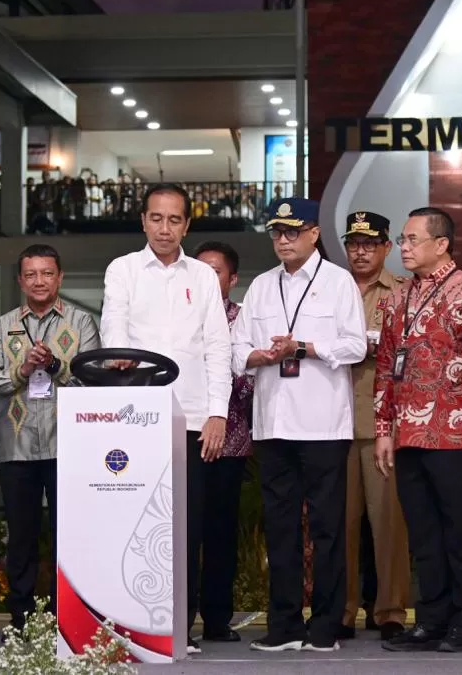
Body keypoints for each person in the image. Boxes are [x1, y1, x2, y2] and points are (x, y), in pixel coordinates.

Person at [100, 183, 232, 654]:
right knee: (137, 525)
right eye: (156, 218)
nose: (164, 228)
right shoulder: (123, 270)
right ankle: (133, 623)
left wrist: (218, 413)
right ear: (143, 221)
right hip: (136, 417)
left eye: (174, 220)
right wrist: (118, 357)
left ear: (186, 225)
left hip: (193, 418)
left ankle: (180, 627)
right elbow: (113, 323)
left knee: (186, 527)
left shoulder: (202, 276)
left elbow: (218, 347)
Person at [230, 198, 367, 653]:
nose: (283, 240)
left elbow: (355, 346)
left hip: (324, 424)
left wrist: (305, 347)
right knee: (280, 527)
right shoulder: (262, 286)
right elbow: (237, 349)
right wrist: (262, 356)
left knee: (328, 527)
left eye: (293, 231)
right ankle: (285, 623)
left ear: (313, 234)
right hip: (273, 424)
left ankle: (326, 625)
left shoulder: (338, 281)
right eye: (276, 232)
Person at [374, 208, 462, 653]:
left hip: (457, 432)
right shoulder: (397, 298)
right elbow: (384, 369)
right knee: (424, 533)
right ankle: (431, 619)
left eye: (412, 239)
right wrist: (382, 429)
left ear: (441, 244)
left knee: (460, 528)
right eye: (402, 239)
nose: (404, 247)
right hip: (408, 432)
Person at [0, 244, 100, 639]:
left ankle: (69, 620)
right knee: (22, 538)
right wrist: (23, 369)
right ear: (20, 281)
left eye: (46, 273)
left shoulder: (82, 323)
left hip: (70, 446)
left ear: (59, 277)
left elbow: (93, 380)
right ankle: (22, 620)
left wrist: (52, 366)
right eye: (31, 274)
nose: (39, 281)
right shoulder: (4, 325)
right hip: (16, 447)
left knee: (70, 536)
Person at [339, 211, 410, 641]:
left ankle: (390, 611)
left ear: (387, 247)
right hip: (330, 421)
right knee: (340, 525)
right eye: (353, 244)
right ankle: (342, 610)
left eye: (370, 243)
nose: (361, 251)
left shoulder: (403, 292)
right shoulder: (328, 289)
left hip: (384, 422)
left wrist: (369, 345)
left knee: (388, 524)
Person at [190, 241, 254, 643]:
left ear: (232, 279)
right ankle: (177, 620)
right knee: (180, 535)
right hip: (182, 442)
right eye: (201, 270)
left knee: (219, 536)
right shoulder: (180, 315)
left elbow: (251, 382)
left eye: (215, 272)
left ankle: (216, 618)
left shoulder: (244, 320)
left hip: (229, 445)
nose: (207, 278)